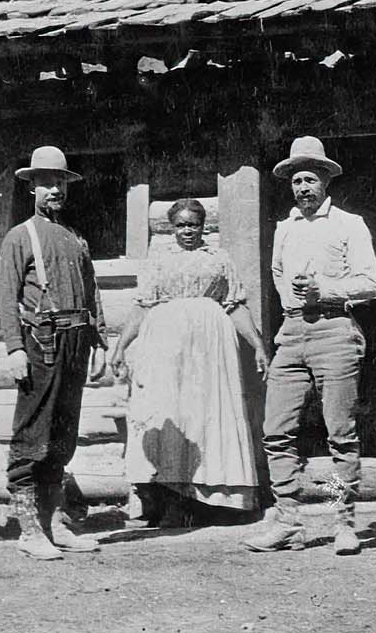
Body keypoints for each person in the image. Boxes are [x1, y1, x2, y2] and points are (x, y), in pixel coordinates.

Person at [245, 136, 376, 556]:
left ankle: (344, 522)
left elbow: (371, 284)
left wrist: (325, 290)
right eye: (296, 180)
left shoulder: (349, 224)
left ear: (325, 181)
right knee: (276, 431)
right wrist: (296, 301)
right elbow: (279, 276)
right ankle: (288, 521)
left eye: (310, 179)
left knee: (341, 433)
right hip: (291, 334)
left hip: (335, 331)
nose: (303, 187)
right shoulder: (284, 229)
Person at [108, 198, 270, 526]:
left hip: (211, 349)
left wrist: (258, 346)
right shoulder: (159, 262)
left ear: (203, 226)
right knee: (171, 415)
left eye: (193, 225)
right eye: (181, 225)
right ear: (171, 228)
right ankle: (170, 501)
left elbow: (236, 306)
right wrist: (120, 347)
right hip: (165, 348)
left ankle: (214, 504)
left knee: (207, 416)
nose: (187, 231)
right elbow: (142, 307)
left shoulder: (219, 259)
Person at [0, 145, 108, 560]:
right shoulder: (19, 236)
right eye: (45, 183)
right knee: (33, 434)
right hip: (40, 343)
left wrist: (97, 338)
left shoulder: (75, 237)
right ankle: (28, 530)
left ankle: (53, 522)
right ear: (32, 188)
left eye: (59, 182)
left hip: (76, 340)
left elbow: (91, 289)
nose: (54, 190)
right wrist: (13, 349)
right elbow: (7, 297)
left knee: (62, 437)